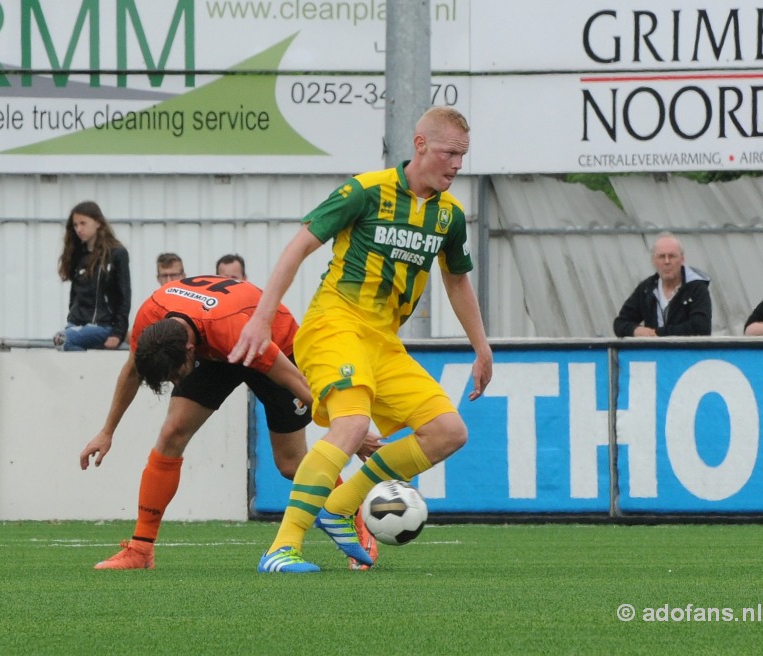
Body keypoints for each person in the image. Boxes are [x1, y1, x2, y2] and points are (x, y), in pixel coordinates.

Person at [229, 106, 493, 573]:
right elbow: (299, 246)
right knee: (350, 427)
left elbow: (457, 280)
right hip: (336, 324)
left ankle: (340, 506)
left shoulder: (449, 215)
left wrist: (481, 346)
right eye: (450, 153)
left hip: (383, 342)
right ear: (420, 145)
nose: (456, 165)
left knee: (448, 432)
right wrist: (261, 319)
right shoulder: (365, 190)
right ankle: (281, 548)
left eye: (463, 156)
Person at [79, 275, 378, 570]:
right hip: (214, 344)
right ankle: (140, 550)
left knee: (290, 464)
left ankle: (353, 518)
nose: (175, 383)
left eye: (176, 374)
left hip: (273, 343)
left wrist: (349, 427)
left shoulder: (235, 329)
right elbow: (132, 371)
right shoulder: (151, 318)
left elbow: (295, 379)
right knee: (172, 433)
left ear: (189, 352)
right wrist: (107, 431)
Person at [54, 201, 131, 351]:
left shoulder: (117, 254)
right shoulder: (78, 254)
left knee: (61, 340)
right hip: (77, 324)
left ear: (97, 222)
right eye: (75, 225)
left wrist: (118, 333)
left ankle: (87, 370)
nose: (79, 229)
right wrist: (72, 317)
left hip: (103, 325)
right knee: (61, 340)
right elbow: (75, 295)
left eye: (83, 223)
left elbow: (124, 296)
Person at [613, 233, 712, 337]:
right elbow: (620, 323)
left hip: (687, 352)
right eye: (661, 256)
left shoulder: (696, 288)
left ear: (682, 259)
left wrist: (658, 333)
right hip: (653, 352)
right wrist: (635, 330)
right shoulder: (646, 289)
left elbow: (701, 328)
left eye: (672, 256)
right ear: (653, 260)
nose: (667, 261)